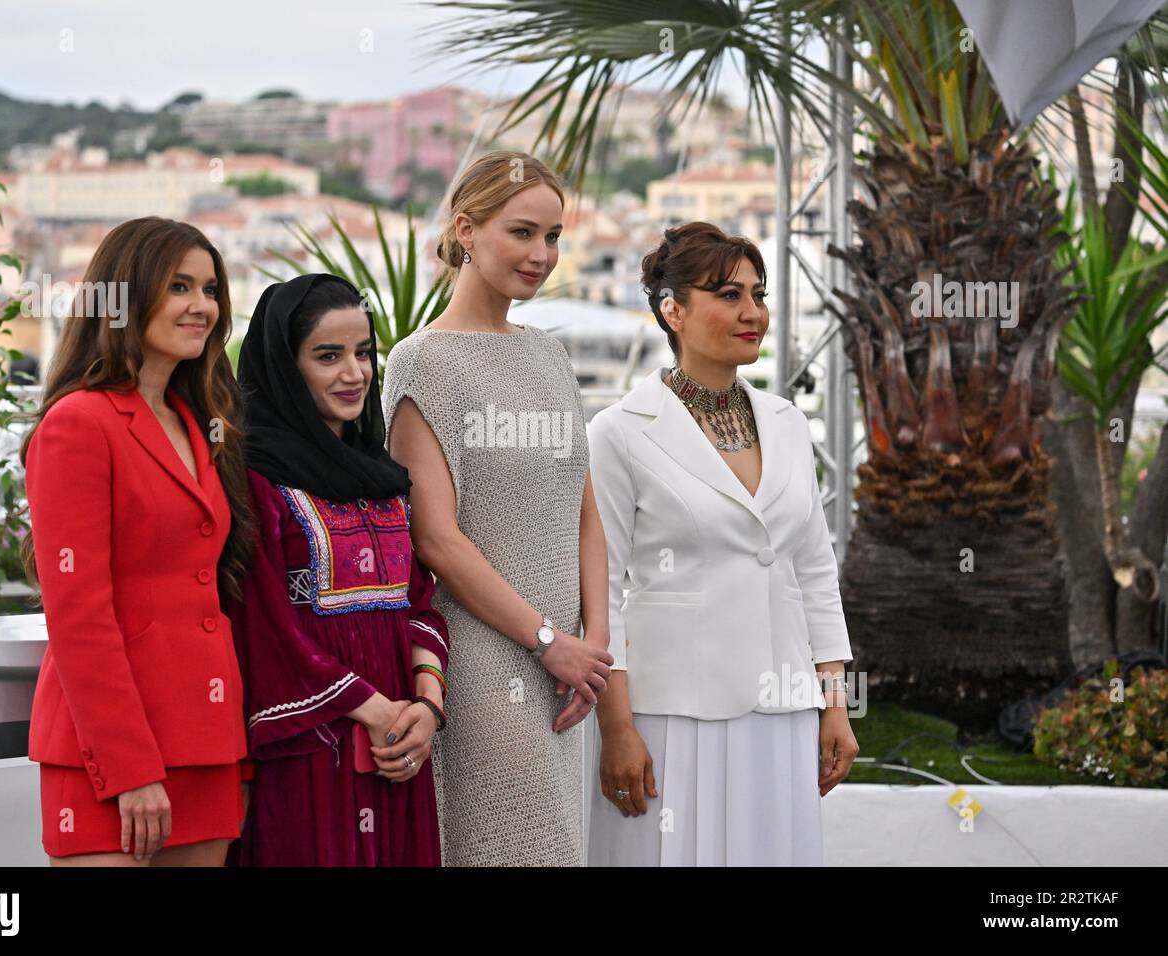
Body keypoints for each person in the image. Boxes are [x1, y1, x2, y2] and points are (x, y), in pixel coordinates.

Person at [585, 222, 858, 866]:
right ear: (672, 309)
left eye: (758, 295)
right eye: (729, 295)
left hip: (784, 706)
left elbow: (814, 571)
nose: (752, 313)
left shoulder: (788, 423)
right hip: (671, 712)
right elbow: (603, 592)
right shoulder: (619, 432)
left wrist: (836, 704)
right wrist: (616, 727)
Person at [382, 150, 613, 866]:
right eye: (521, 233)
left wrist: (592, 649)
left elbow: (585, 511)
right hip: (484, 658)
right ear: (466, 229)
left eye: (553, 236)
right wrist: (549, 641)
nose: (541, 254)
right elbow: (437, 539)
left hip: (568, 670)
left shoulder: (549, 354)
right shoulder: (423, 361)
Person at [21, 217, 255, 866]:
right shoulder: (78, 424)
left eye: (210, 289)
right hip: (109, 756)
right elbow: (79, 616)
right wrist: (126, 768)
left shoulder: (197, 421)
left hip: (208, 742)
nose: (202, 305)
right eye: (179, 286)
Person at [226, 274, 448, 866]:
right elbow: (266, 626)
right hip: (309, 752)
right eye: (328, 356)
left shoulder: (382, 477)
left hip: (398, 751)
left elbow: (419, 603)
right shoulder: (254, 480)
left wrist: (426, 708)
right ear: (284, 367)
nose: (354, 374)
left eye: (363, 353)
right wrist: (376, 711)